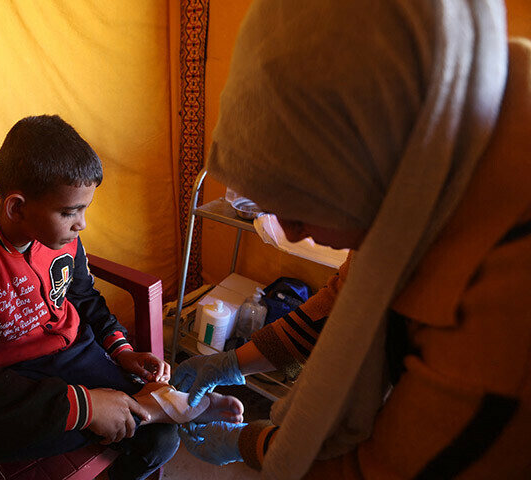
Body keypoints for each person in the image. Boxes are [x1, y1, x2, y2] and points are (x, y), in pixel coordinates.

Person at [173, 0, 531, 478]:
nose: (290, 232)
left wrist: (252, 443)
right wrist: (231, 363)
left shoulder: (505, 305)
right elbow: (343, 302)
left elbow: (384, 470)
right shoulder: (422, 173)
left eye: (300, 209)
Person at [0, 114, 246, 480]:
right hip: (16, 375)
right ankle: (153, 406)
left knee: (161, 439)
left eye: (84, 209)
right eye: (69, 212)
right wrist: (87, 407)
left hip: (76, 354)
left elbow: (85, 298)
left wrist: (122, 351)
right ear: (17, 208)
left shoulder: (63, 237)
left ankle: (145, 410)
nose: (82, 224)